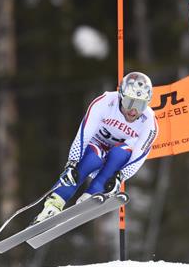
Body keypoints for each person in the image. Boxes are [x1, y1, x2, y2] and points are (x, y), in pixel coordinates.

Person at [32, 72, 158, 224]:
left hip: (115, 160)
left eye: (140, 104)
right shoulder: (105, 102)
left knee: (121, 153)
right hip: (95, 147)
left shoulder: (149, 123)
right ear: (121, 96)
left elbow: (139, 157)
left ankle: (90, 197)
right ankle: (52, 207)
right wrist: (72, 163)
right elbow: (82, 136)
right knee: (92, 158)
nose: (133, 111)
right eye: (129, 102)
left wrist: (120, 177)